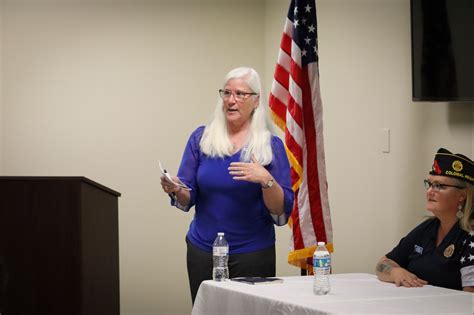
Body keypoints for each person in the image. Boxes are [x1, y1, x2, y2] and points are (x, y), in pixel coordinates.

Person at [160, 67, 294, 303]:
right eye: (227, 93)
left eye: (240, 94)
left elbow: (279, 210)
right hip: (202, 251)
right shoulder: (201, 138)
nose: (231, 100)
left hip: (253, 252)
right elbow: (187, 197)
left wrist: (266, 180)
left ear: (256, 101)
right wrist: (176, 188)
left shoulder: (270, 146)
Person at [375, 148, 474, 291]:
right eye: (429, 184)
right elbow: (382, 263)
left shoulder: (470, 234)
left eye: (440, 186)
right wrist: (395, 271)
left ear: (462, 195)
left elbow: (470, 298)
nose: (430, 191)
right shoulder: (429, 227)